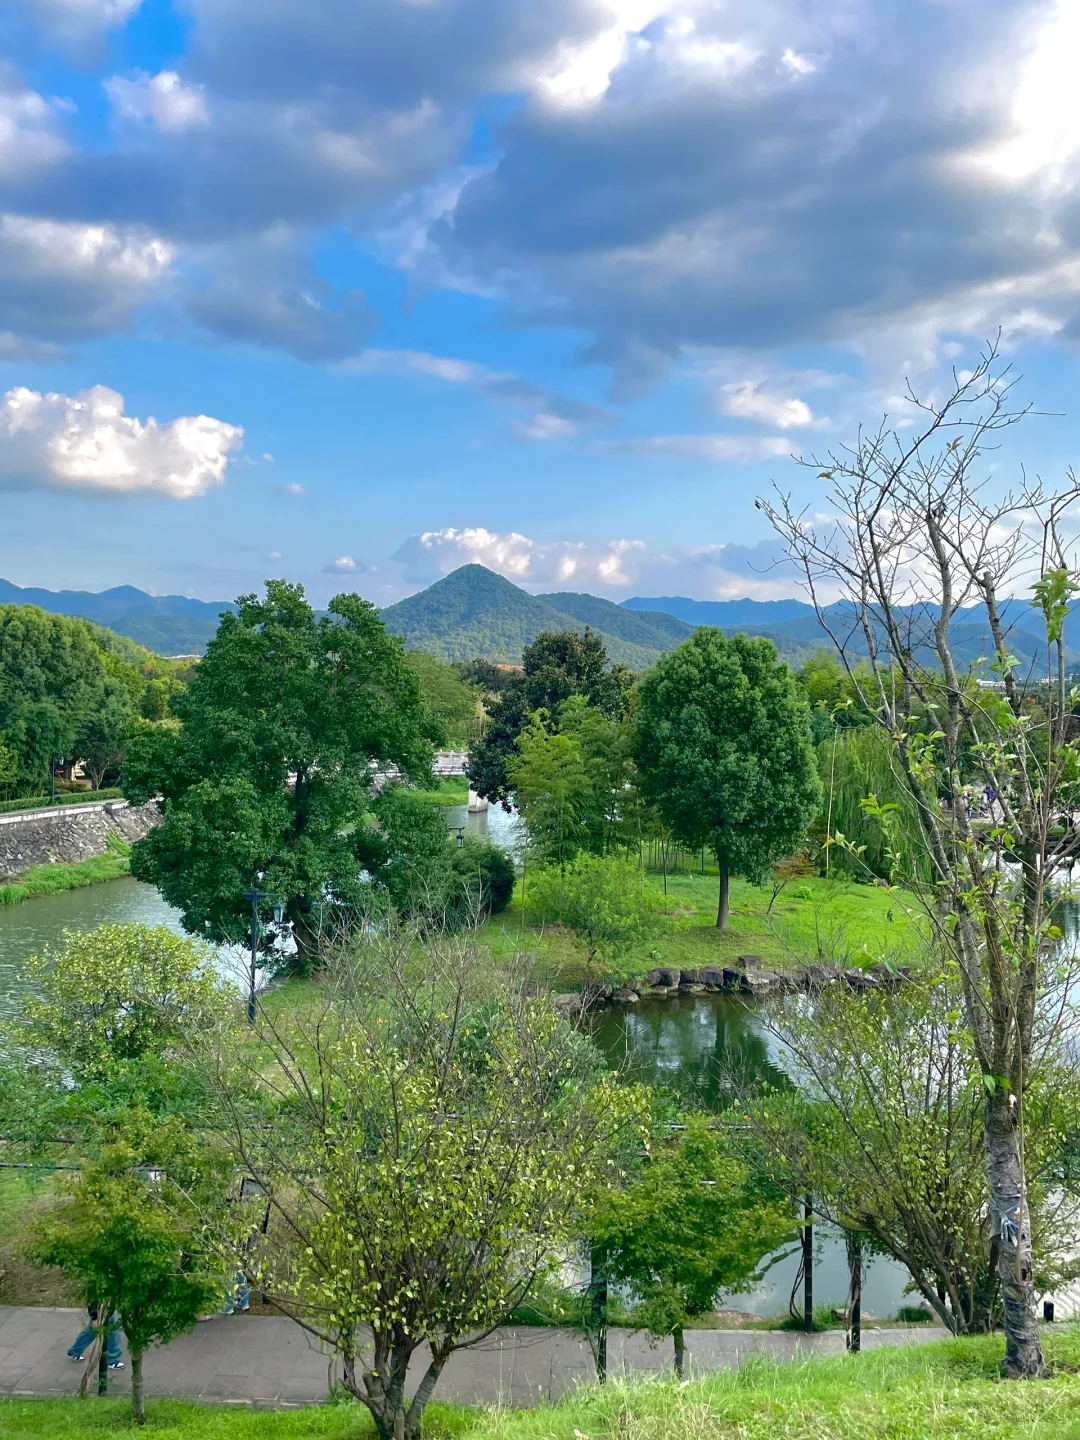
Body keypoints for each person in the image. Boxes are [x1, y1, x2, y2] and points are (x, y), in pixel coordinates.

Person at [67, 1303, 123, 1367]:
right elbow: (93, 1299)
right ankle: (112, 1360)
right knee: (112, 1332)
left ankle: (75, 1351)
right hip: (103, 1309)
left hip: (106, 1309)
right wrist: (94, 1317)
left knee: (91, 1332)